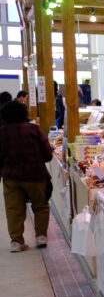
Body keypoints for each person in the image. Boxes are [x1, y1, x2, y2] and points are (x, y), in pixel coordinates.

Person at [0, 100, 53, 251]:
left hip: (11, 178)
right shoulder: (34, 130)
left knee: (14, 209)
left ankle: (16, 242)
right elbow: (48, 155)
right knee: (40, 206)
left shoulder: (1, 133)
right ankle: (41, 237)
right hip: (35, 175)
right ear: (24, 113)